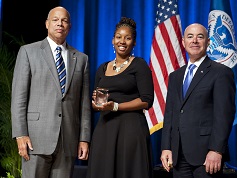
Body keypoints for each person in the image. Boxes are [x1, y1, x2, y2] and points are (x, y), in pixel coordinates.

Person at [11, 6, 91, 178]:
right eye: (55, 20)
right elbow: (19, 98)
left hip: (68, 140)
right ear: (47, 24)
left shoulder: (81, 59)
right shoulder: (28, 52)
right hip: (35, 139)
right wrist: (20, 134)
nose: (59, 24)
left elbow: (84, 104)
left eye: (64, 21)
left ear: (69, 26)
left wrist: (84, 138)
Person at [160, 23, 236, 178]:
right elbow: (170, 114)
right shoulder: (175, 76)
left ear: (208, 42)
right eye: (190, 36)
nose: (194, 40)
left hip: (206, 156)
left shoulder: (221, 73)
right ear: (183, 42)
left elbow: (224, 115)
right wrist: (166, 147)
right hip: (178, 155)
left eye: (200, 37)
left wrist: (216, 150)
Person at [86, 17, 154, 178]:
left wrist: (116, 106)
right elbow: (94, 103)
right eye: (118, 37)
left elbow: (146, 100)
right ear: (113, 40)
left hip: (130, 130)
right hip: (105, 131)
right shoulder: (102, 68)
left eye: (128, 38)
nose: (122, 41)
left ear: (134, 43)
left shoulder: (139, 65)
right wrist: (96, 104)